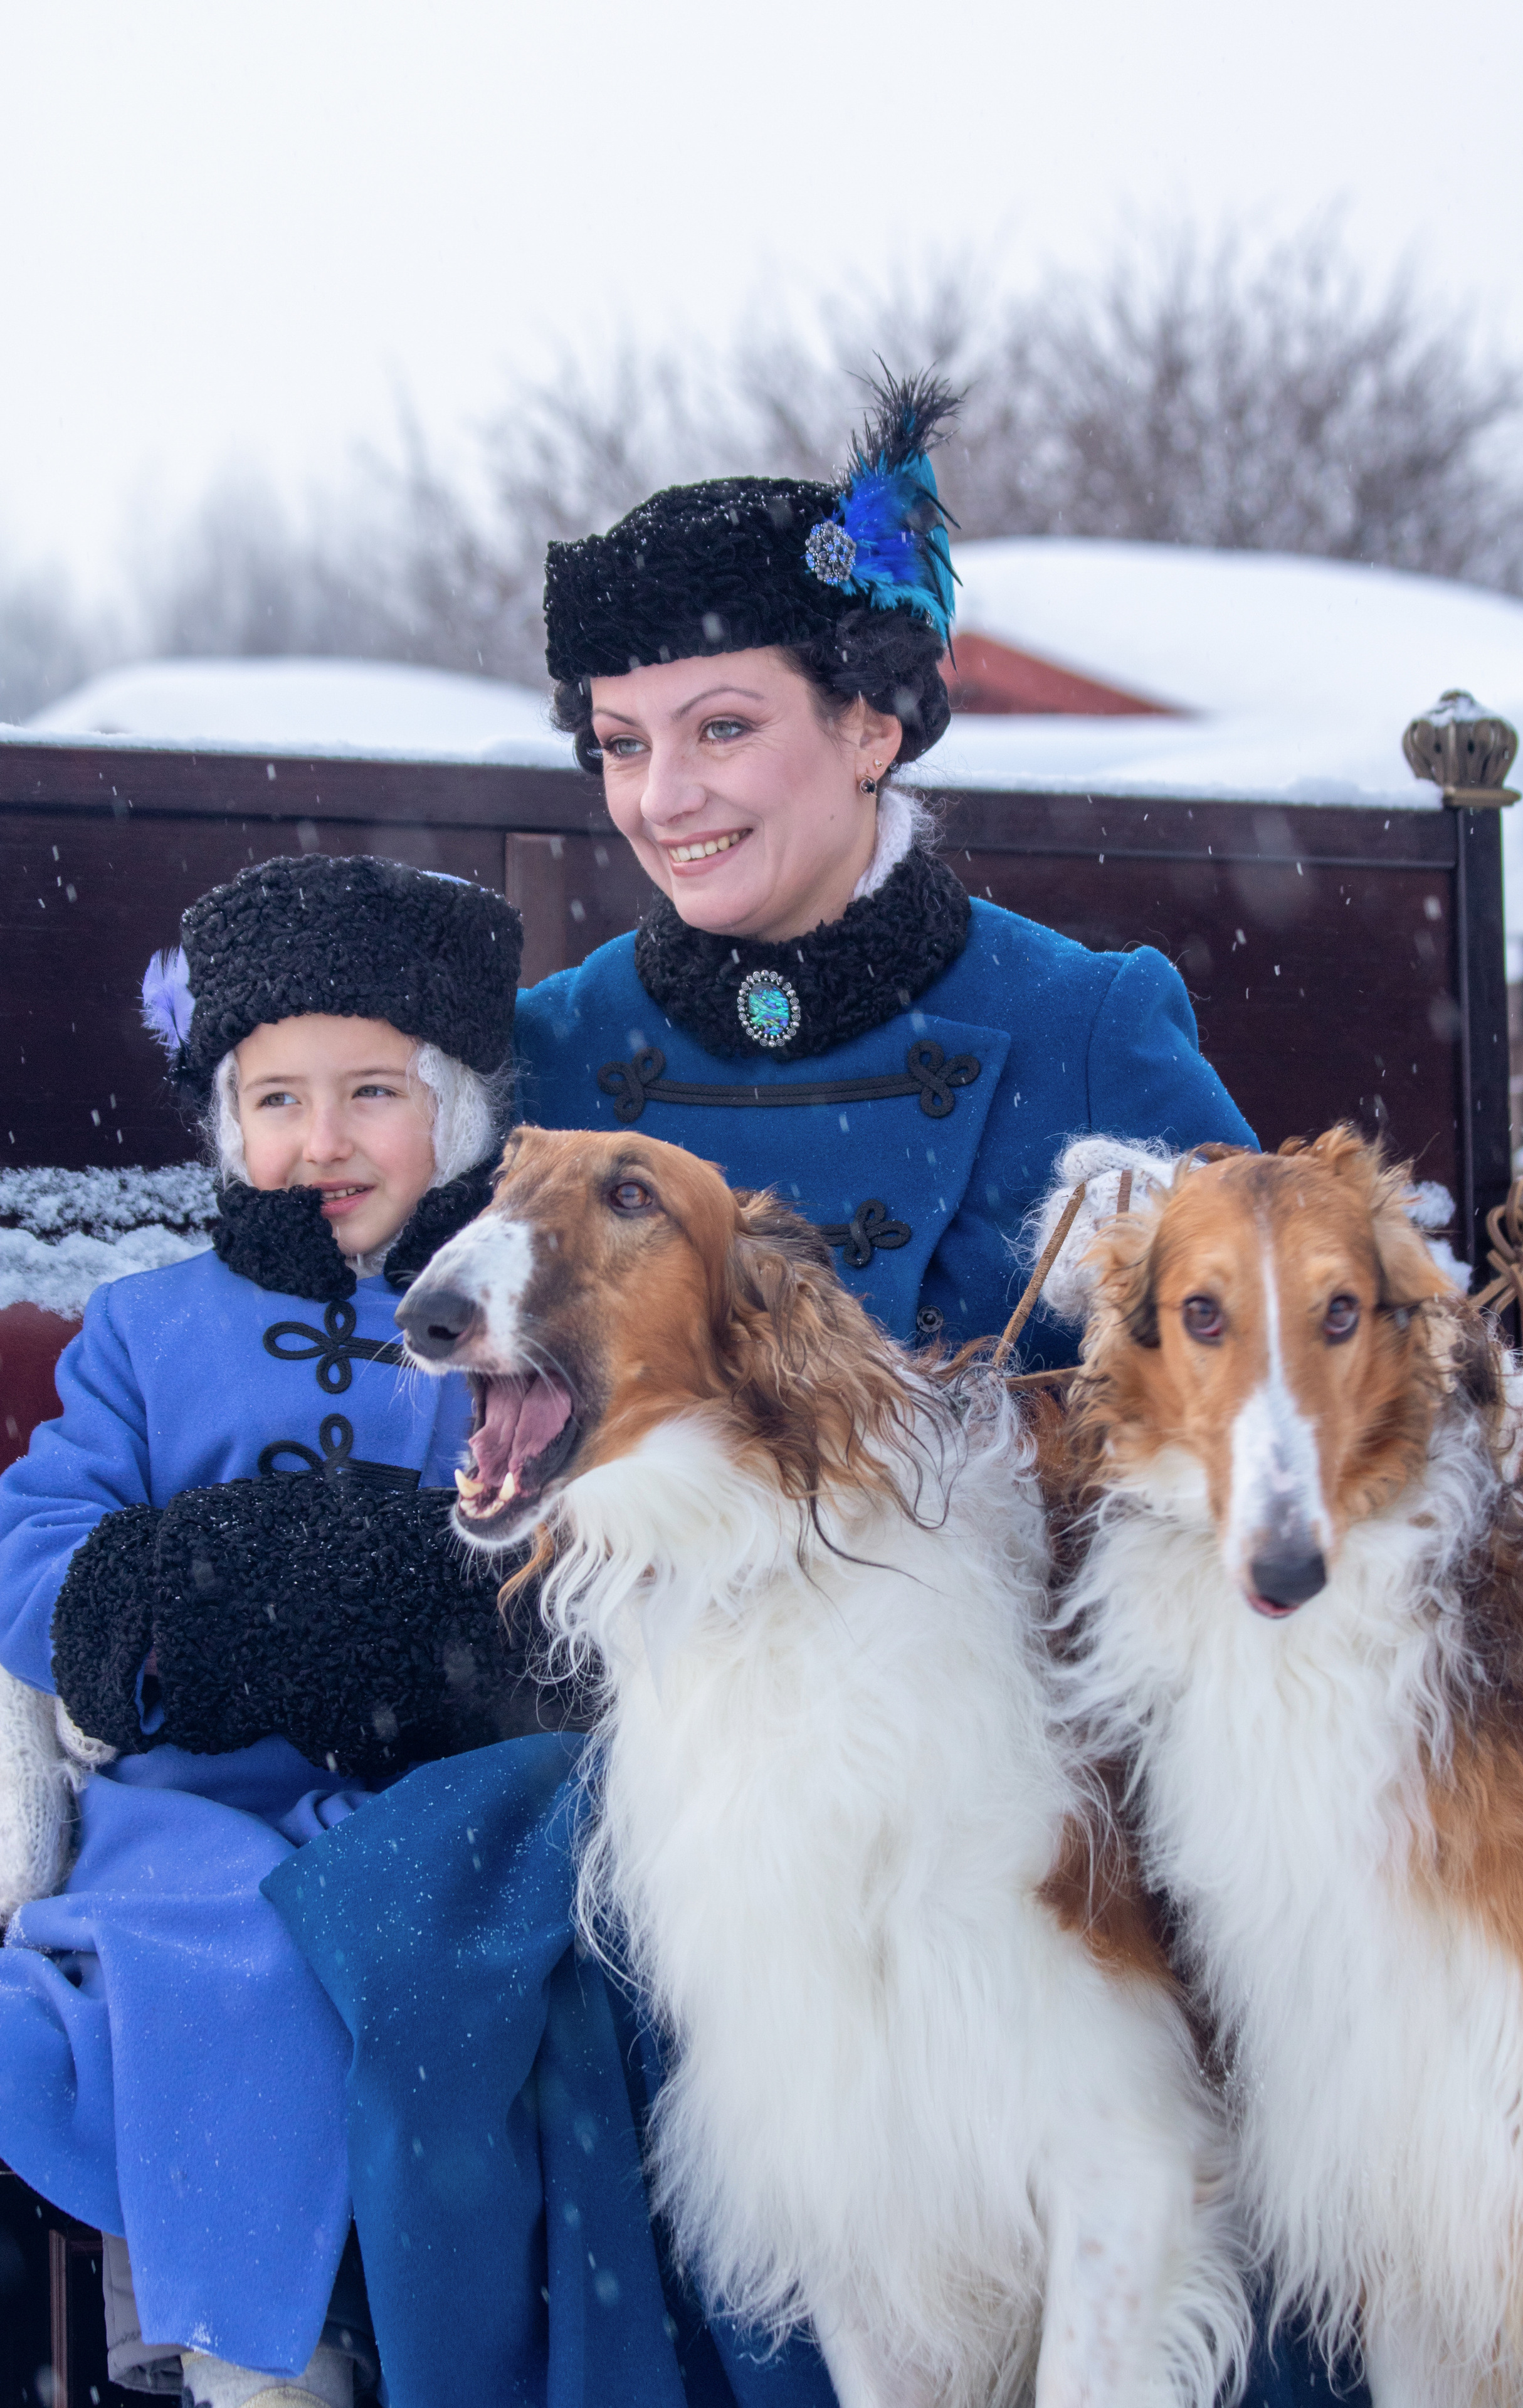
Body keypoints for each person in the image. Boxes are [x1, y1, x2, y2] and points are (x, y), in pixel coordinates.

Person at [45, 379, 1357, 2405]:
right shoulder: (545, 1053)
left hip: (1012, 1712)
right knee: (434, 1939)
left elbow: (1266, 1363)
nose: (664, 798)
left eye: (722, 729)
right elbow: (350, 1319)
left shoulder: (1081, 1021)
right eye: (623, 746)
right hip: (630, 1707)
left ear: (872, 721)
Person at [0, 855, 530, 2408]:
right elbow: (36, 1556)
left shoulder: (508, 1323)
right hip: (191, 1793)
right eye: (278, 1097)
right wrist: (176, 1593)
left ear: (455, 1114)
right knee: (209, 1939)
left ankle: (401, 2338)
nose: (322, 1140)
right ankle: (256, 2353)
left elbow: (566, 1548)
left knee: (413, 1947)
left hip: (435, 1788)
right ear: (229, 1122)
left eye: (373, 1091)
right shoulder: (146, 1331)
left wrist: (426, 1614)